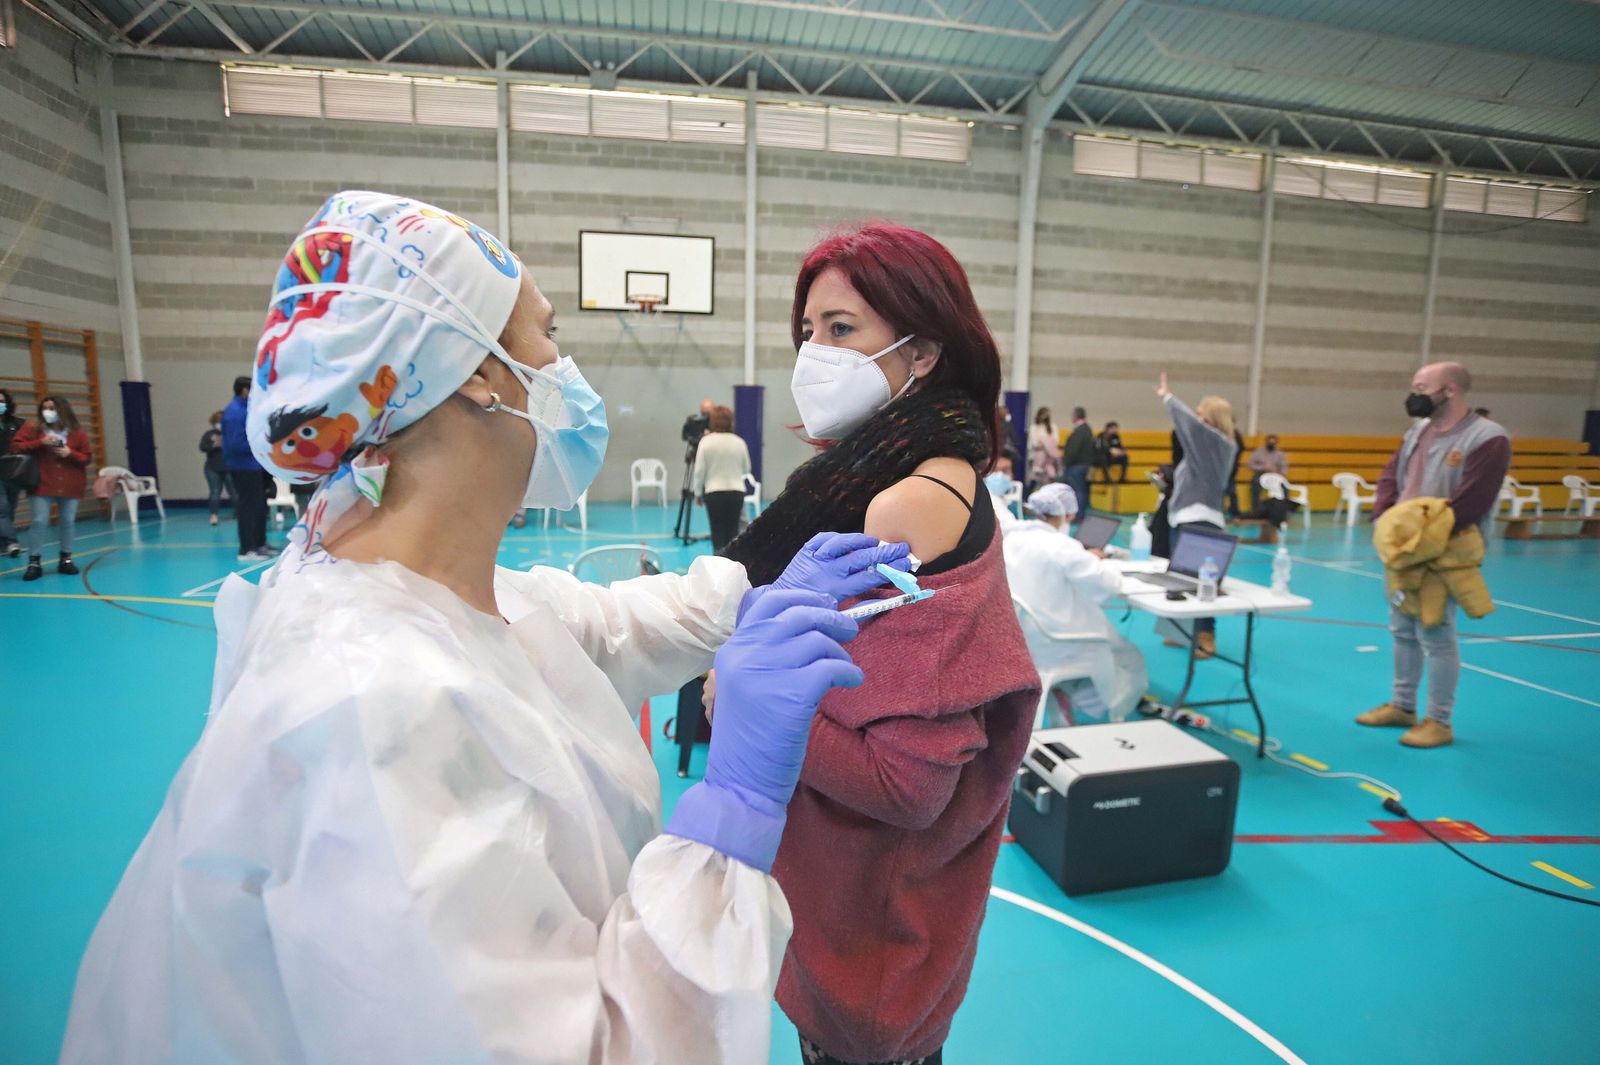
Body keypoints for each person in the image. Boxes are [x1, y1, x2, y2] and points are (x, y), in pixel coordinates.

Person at [61, 191, 912, 1064]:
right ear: (474, 371)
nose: (564, 372)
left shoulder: (406, 574)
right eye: (545, 338)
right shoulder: (367, 716)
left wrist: (754, 586)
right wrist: (725, 827)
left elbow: (603, 626)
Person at [725, 222, 1039, 1065]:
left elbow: (907, 783)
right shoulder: (921, 472)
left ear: (923, 351)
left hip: (871, 933)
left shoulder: (902, 504)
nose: (814, 352)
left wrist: (753, 695)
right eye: (809, 330)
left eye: (842, 330)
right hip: (879, 924)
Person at [1357, 362, 1510, 749]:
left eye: (1423, 386)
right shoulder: (1417, 432)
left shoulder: (1487, 438)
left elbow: (1472, 502)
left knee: (1436, 634)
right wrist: (1384, 521)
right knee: (1402, 630)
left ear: (1451, 390)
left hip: (1444, 553)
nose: (1415, 393)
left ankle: (1438, 721)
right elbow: (1392, 476)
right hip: (1402, 551)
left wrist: (1422, 540)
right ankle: (1402, 705)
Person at [1004, 484, 1148, 725]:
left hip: (1023, 640)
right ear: (1068, 515)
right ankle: (1111, 711)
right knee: (1129, 657)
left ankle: (1063, 698)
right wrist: (1101, 563)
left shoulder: (1013, 539)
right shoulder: (1062, 547)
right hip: (1060, 641)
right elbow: (1105, 586)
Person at [1154, 374, 1234, 659]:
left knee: (1202, 581)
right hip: (1187, 517)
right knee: (1182, 578)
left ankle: (1206, 636)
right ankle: (1182, 632)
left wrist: (1168, 396)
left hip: (1200, 521)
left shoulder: (1217, 444)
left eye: (1201, 415)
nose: (1196, 420)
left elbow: (1188, 424)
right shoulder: (1207, 446)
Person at [11, 396, 91, 581]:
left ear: (62, 410)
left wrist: (70, 453)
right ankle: (34, 562)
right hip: (42, 481)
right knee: (39, 521)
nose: (48, 412)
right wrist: (41, 442)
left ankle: (66, 558)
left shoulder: (77, 432)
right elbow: (15, 447)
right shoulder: (33, 428)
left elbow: (87, 458)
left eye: (52, 408)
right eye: (45, 408)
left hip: (70, 483)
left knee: (68, 521)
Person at [222, 375, 271, 561]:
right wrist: (262, 446)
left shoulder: (247, 410)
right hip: (242, 466)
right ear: (245, 391)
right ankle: (246, 549)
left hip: (253, 465)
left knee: (259, 505)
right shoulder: (235, 412)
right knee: (248, 506)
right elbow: (236, 444)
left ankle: (259, 544)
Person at [693, 403, 752, 553]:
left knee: (717, 533)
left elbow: (699, 471)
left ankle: (718, 563)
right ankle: (732, 564)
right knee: (733, 532)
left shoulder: (706, 442)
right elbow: (747, 468)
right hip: (736, 492)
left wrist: (698, 493)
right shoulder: (739, 442)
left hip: (714, 492)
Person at [1058, 405, 1095, 514]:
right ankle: (1078, 513)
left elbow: (1073, 450)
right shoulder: (1087, 430)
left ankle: (1078, 514)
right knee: (1080, 490)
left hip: (1076, 465)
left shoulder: (1080, 431)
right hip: (1083, 464)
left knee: (1077, 490)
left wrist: (1066, 461)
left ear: (1076, 416)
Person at [0, 387, 23, 557]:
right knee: (2, 508)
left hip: (14, 472)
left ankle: (3, 541)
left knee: (11, 507)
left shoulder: (18, 424)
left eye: (2, 401)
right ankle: (11, 542)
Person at [198, 410, 231, 526]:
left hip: (229, 467)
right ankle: (214, 515)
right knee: (215, 492)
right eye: (218, 421)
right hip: (212, 468)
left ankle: (240, 513)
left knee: (234, 492)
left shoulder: (231, 433)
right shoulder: (209, 434)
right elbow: (202, 447)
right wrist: (214, 445)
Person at [1246, 432, 1289, 511]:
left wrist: (1280, 474)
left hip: (1275, 476)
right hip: (1261, 474)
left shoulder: (1280, 454)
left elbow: (1284, 467)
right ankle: (1256, 509)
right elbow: (1249, 464)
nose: (1271, 444)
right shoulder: (1258, 452)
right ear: (1266, 442)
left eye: (1273, 443)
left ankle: (1284, 510)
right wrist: (1262, 467)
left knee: (1285, 486)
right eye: (1270, 442)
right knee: (1255, 484)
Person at [1026, 406, 1060, 492]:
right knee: (1034, 479)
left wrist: (1044, 443)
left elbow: (1055, 442)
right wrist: (1046, 443)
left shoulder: (1053, 427)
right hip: (1037, 458)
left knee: (1049, 480)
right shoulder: (1034, 427)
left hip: (1050, 459)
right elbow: (1034, 443)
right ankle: (1026, 498)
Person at [1096, 419, 1128, 484]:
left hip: (1113, 457)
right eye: (1114, 428)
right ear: (1108, 428)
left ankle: (1122, 478)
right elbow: (1099, 448)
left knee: (1125, 457)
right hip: (1104, 457)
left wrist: (1120, 452)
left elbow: (1119, 446)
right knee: (1102, 457)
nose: (1116, 430)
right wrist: (1110, 451)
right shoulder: (1101, 436)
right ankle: (1107, 478)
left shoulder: (1116, 436)